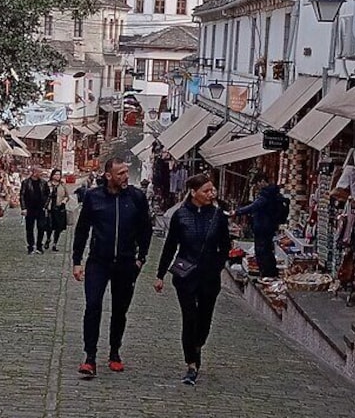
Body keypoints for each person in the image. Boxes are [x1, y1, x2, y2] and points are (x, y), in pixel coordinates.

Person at [72, 157, 153, 378]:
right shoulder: (94, 197)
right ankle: (90, 357)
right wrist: (77, 261)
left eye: (127, 172)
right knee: (93, 305)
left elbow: (146, 229)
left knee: (120, 310)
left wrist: (141, 258)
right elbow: (82, 229)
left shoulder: (136, 198)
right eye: (121, 173)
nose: (126, 176)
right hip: (99, 261)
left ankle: (115, 352)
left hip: (126, 263)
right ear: (108, 176)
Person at [154, 173, 230, 385]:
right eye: (206, 190)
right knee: (190, 318)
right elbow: (170, 246)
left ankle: (197, 345)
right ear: (193, 192)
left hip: (209, 276)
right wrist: (160, 274)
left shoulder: (218, 216)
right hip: (185, 276)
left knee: (204, 320)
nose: (210, 194)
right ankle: (191, 364)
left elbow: (225, 246)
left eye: (212, 190)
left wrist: (218, 265)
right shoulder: (181, 215)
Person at [229, 172, 282, 279]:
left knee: (262, 251)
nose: (257, 187)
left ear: (262, 181)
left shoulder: (266, 194)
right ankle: (269, 273)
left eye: (258, 184)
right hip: (268, 226)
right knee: (265, 250)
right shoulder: (273, 193)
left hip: (263, 226)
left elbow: (254, 206)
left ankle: (267, 274)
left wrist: (237, 212)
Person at [20, 166, 50, 255]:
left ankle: (39, 246)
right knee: (29, 228)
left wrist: (45, 206)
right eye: (39, 172)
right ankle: (30, 246)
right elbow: (22, 195)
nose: (41, 174)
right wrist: (23, 208)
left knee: (41, 227)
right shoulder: (26, 182)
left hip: (40, 208)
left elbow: (48, 195)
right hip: (30, 208)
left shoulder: (43, 183)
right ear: (34, 172)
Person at [46, 169, 70, 252]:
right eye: (56, 174)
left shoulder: (62, 185)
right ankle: (48, 239)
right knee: (49, 226)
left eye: (59, 175)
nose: (57, 176)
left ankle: (55, 244)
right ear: (52, 175)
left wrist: (64, 201)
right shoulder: (47, 184)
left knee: (58, 228)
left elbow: (67, 196)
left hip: (59, 209)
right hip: (49, 208)